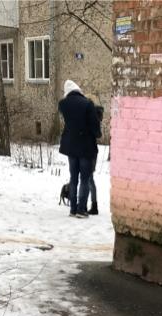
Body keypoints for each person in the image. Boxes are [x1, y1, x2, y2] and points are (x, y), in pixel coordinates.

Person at [58, 80, 101, 219]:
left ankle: (72, 209)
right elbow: (95, 127)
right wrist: (97, 134)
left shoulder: (63, 104)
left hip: (71, 146)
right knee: (85, 178)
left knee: (73, 178)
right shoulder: (87, 104)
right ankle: (81, 209)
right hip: (86, 147)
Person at [87, 104, 104, 215]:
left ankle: (94, 206)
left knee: (89, 179)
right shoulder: (95, 122)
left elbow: (98, 134)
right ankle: (92, 205)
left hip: (90, 153)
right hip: (91, 152)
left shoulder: (94, 123)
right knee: (88, 179)